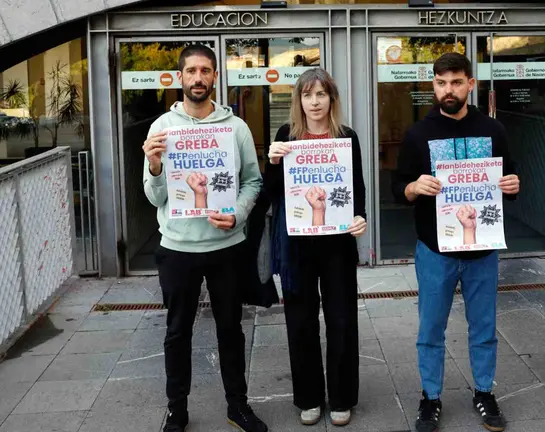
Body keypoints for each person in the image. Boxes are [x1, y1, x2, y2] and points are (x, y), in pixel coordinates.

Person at [142, 44, 268, 432]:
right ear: (180, 78)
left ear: (215, 77)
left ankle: (238, 407)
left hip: (226, 247)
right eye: (192, 71)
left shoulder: (236, 128)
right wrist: (155, 165)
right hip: (178, 248)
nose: (199, 78)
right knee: (177, 332)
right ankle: (176, 410)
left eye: (206, 71)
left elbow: (253, 180)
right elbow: (154, 197)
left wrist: (239, 212)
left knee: (231, 329)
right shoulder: (162, 128)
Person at [391, 52, 520, 432]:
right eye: (441, 83)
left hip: (483, 250)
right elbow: (398, 188)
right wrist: (414, 187)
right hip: (435, 250)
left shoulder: (493, 130)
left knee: (484, 328)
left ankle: (484, 391)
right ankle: (430, 397)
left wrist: (513, 184)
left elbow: (509, 178)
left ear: (470, 84)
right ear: (434, 85)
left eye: (456, 82)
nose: (449, 90)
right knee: (430, 329)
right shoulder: (418, 133)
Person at [265, 68, 367, 427]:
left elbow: (357, 188)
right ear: (299, 101)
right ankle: (309, 398)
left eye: (321, 94)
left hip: (337, 245)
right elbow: (272, 192)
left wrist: (360, 217)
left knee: (342, 321)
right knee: (301, 322)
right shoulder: (286, 136)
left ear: (332, 99)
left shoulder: (346, 137)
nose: (314, 102)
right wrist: (274, 161)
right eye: (307, 95)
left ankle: (341, 398)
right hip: (297, 247)